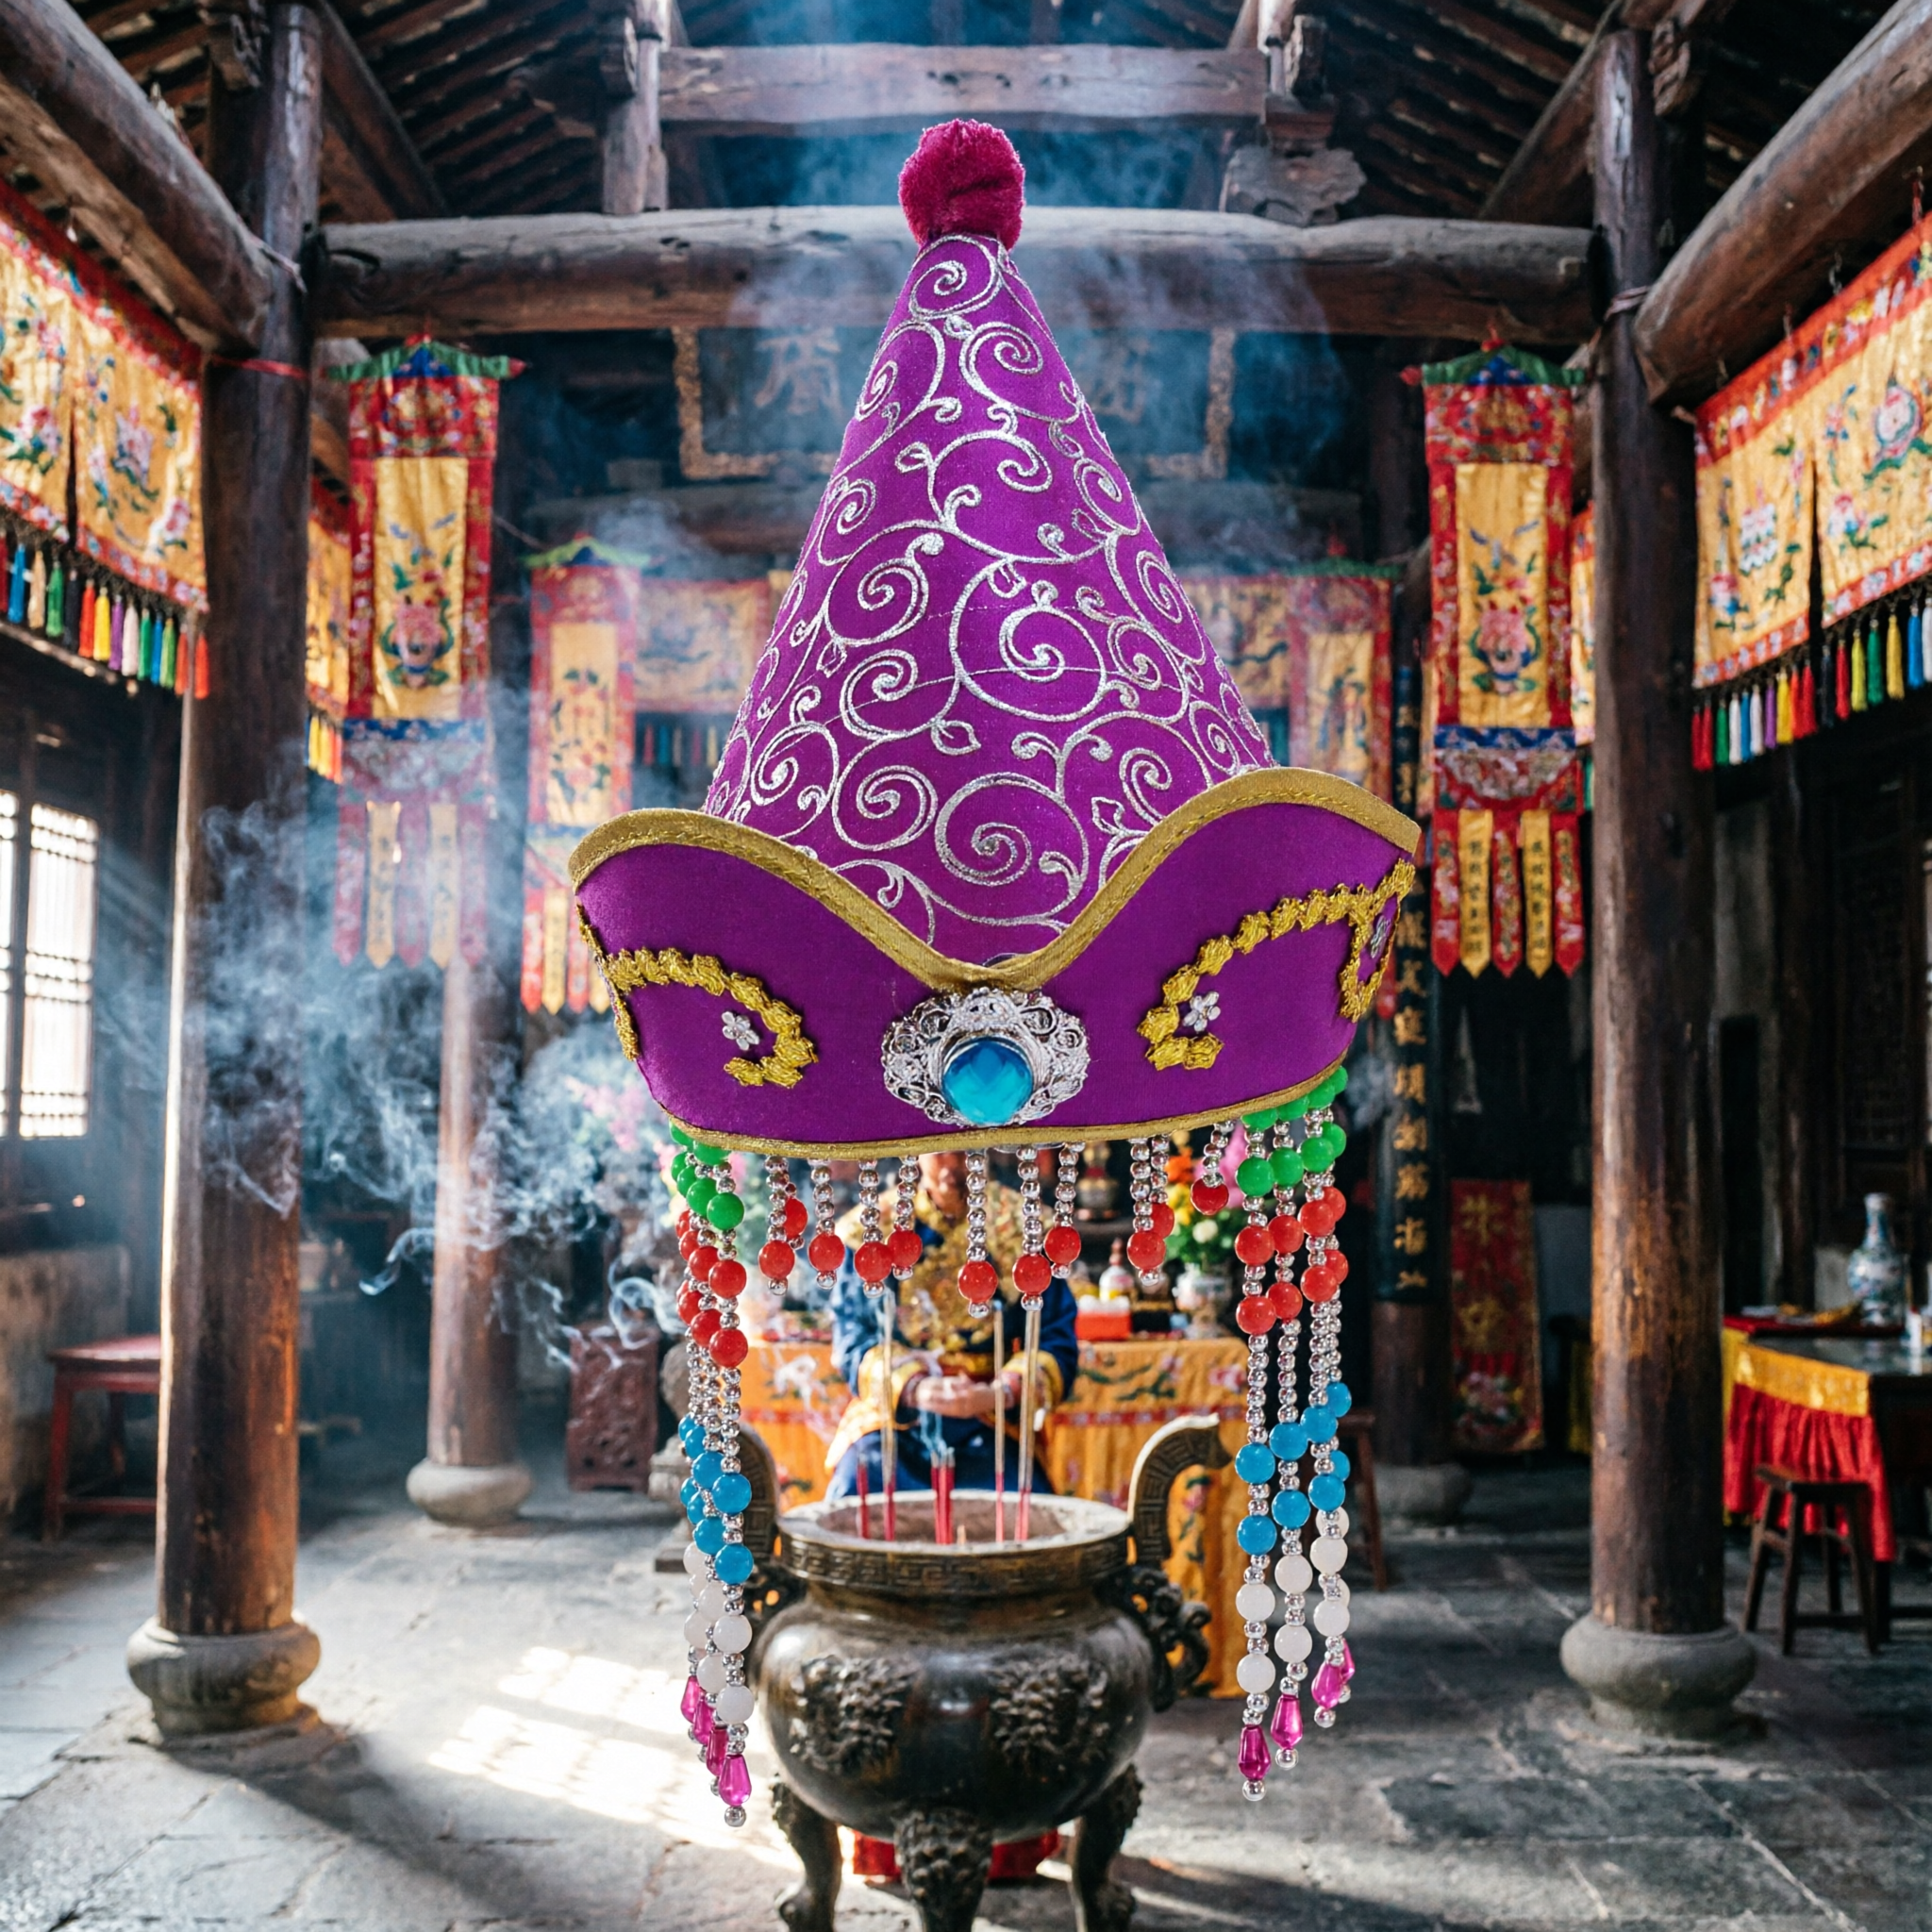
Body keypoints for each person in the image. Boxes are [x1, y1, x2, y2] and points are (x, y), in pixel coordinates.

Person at [824, 1152, 1078, 1502]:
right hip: (896, 1417)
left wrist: (1000, 1392)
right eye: (939, 1147)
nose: (951, 1162)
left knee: (1024, 1503)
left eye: (963, 1149)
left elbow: (1055, 1339)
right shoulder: (871, 1230)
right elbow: (854, 1338)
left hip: (991, 1416)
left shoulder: (1027, 1227)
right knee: (858, 1492)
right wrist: (916, 1388)